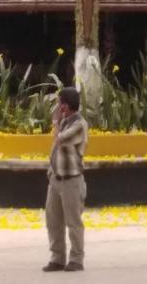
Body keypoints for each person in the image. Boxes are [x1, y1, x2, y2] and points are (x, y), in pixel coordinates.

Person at [43, 86, 89, 273]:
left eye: (59, 102)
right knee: (53, 220)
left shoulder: (79, 124)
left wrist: (55, 121)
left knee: (73, 221)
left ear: (65, 105)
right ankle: (57, 257)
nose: (57, 106)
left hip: (72, 179)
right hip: (56, 178)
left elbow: (60, 140)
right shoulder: (64, 121)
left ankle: (76, 258)